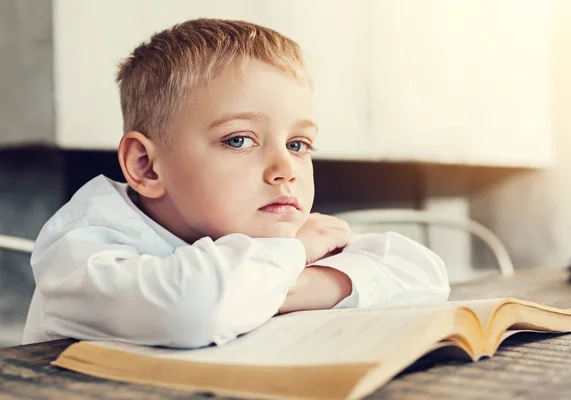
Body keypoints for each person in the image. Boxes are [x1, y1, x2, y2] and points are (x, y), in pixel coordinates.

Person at [22, 18, 449, 348]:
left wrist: (276, 288)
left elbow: (422, 272)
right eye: (240, 140)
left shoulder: (259, 228)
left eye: (299, 143)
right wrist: (295, 256)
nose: (286, 168)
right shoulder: (80, 246)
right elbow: (193, 309)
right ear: (147, 167)